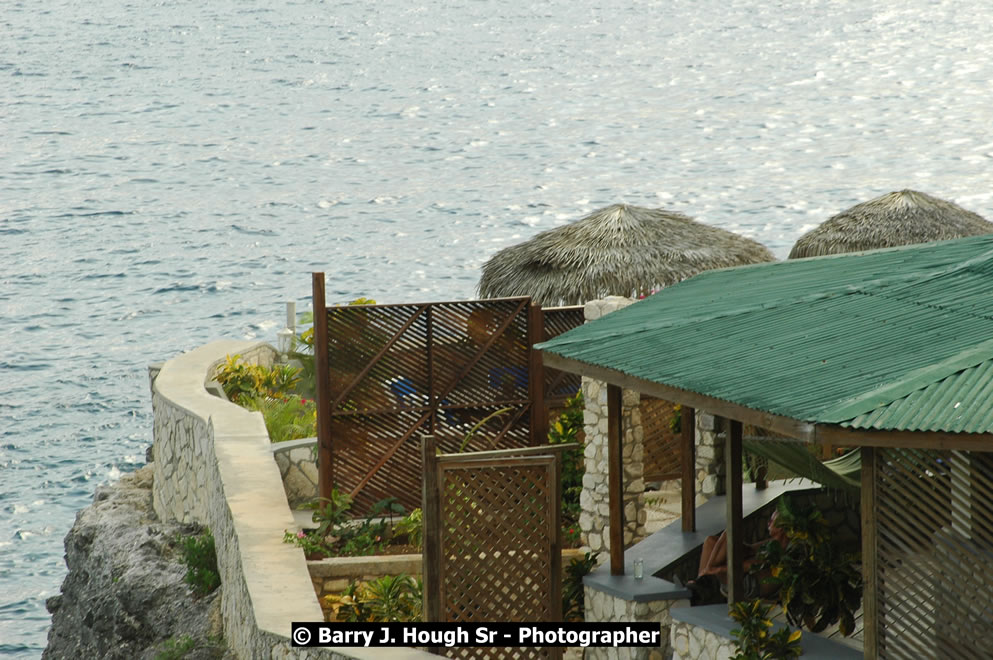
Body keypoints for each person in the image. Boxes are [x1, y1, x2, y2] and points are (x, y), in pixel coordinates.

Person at [688, 510, 788, 602]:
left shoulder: (784, 548)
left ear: (781, 528)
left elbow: (749, 566)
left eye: (771, 521)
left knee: (729, 535)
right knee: (711, 541)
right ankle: (702, 580)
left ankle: (703, 579)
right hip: (743, 574)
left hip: (749, 585)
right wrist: (735, 544)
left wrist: (717, 570)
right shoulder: (772, 542)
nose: (768, 523)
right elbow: (750, 549)